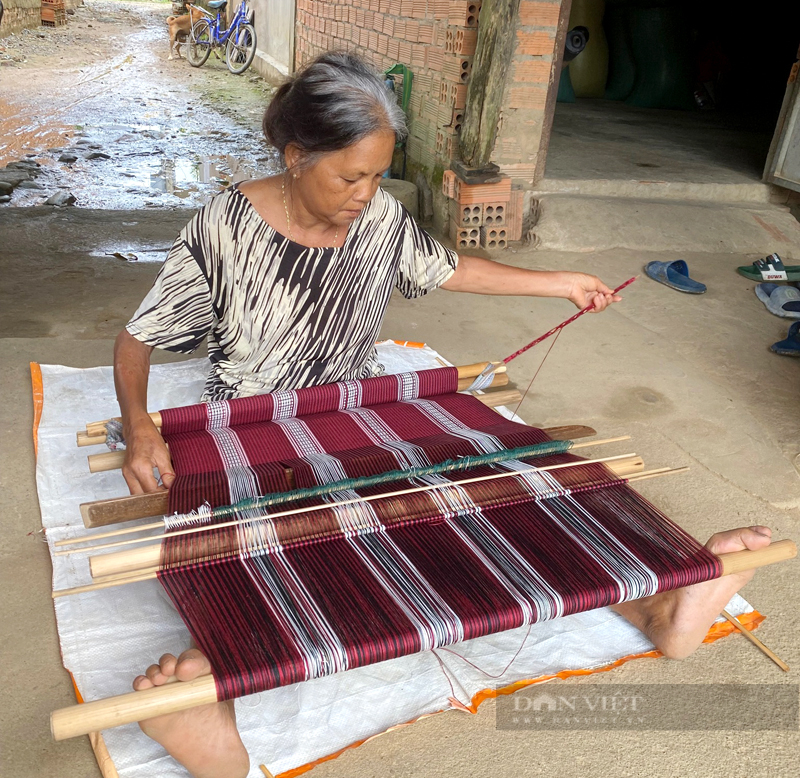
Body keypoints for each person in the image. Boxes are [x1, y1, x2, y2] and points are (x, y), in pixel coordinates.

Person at [113, 52, 772, 778]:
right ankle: (214, 701)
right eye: (349, 176)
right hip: (251, 422)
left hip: (359, 406)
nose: (366, 194)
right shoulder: (222, 227)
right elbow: (139, 337)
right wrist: (141, 425)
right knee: (279, 543)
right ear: (297, 156)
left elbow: (451, 268)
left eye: (375, 175)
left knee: (493, 486)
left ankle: (658, 610)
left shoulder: (380, 219)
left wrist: (560, 284)